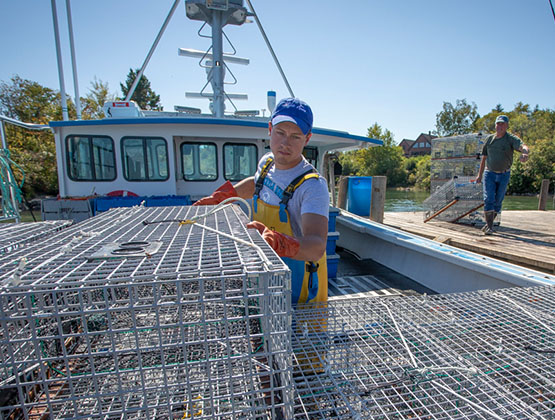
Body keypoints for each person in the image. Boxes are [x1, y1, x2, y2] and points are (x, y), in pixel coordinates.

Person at [194, 97, 330, 307]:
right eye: (280, 133)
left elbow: (316, 247)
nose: (285, 143)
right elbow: (258, 182)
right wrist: (224, 196)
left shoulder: (313, 186)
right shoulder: (267, 162)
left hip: (299, 287)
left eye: (295, 136)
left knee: (299, 338)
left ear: (307, 138)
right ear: (269, 129)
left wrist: (277, 242)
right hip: (264, 274)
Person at [475, 115, 529, 235]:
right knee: (488, 199)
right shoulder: (489, 140)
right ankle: (490, 227)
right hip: (489, 173)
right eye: (498, 124)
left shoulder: (510, 139)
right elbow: (483, 159)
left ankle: (488, 224)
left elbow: (522, 146)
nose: (500, 126)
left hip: (504, 174)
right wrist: (479, 176)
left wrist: (525, 153)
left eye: (503, 124)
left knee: (498, 202)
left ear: (507, 126)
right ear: (495, 125)